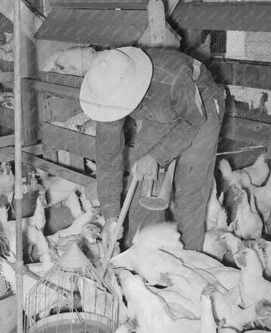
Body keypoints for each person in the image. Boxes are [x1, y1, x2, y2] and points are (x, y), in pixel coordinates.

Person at [79, 46, 226, 253]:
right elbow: (107, 156)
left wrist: (156, 155)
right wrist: (111, 215)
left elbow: (194, 120)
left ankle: (190, 265)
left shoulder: (171, 78)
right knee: (142, 188)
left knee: (188, 192)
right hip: (159, 112)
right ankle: (145, 257)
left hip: (200, 107)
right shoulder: (108, 91)